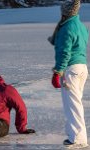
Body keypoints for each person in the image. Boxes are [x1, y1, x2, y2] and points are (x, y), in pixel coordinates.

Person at [49, 0, 89, 148]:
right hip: (82, 68)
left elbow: (65, 53)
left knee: (72, 105)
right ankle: (76, 136)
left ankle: (78, 140)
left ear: (66, 11)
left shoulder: (67, 28)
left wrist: (57, 72)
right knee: (75, 104)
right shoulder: (80, 26)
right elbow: (78, 43)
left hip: (71, 69)